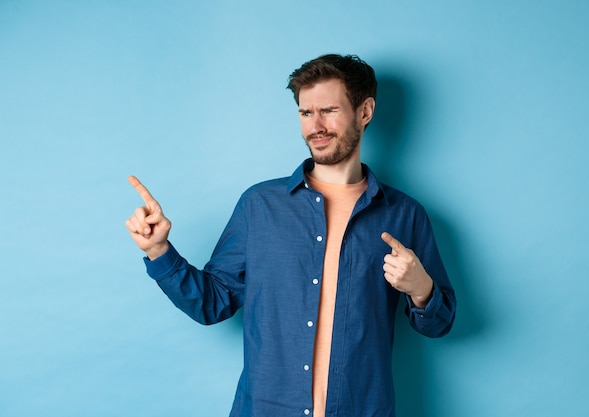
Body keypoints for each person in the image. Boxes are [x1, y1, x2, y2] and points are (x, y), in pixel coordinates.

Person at [126, 54, 456, 417]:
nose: (316, 126)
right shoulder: (259, 206)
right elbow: (211, 303)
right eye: (305, 113)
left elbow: (439, 324)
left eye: (329, 110)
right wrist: (159, 251)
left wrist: (421, 288)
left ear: (365, 111)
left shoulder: (405, 215)